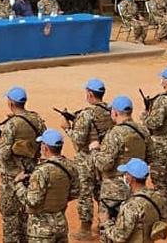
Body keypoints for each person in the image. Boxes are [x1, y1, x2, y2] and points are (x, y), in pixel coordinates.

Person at [90, 96, 153, 243]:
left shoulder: (114, 134)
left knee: (109, 231)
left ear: (115, 112)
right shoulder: (143, 130)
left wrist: (94, 151)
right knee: (133, 232)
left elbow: (104, 164)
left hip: (113, 192)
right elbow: (150, 156)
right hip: (136, 188)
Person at [62, 78, 114, 240]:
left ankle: (85, 229)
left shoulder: (86, 114)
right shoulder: (110, 110)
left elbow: (78, 139)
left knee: (85, 193)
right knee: (101, 191)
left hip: (86, 159)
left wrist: (68, 128)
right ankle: (104, 224)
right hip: (103, 156)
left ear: (90, 94)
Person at [0, 86, 47, 243]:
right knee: (27, 214)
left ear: (11, 103)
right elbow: (43, 144)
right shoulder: (37, 119)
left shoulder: (11, 124)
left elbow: (3, 154)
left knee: (10, 217)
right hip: (30, 173)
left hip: (11, 176)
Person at [13, 129, 80, 243]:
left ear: (45, 147)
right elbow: (75, 192)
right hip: (60, 224)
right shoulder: (71, 166)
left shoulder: (41, 171)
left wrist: (18, 184)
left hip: (41, 229)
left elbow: (32, 201)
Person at [99, 158, 167, 243]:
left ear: (131, 178)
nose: (125, 176)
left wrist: (106, 222)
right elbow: (163, 222)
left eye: (126, 173)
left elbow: (119, 237)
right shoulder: (158, 198)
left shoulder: (131, 206)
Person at [141, 67, 167, 202]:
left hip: (161, 145)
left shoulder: (162, 100)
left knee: (161, 184)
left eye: (163, 78)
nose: (161, 81)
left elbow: (154, 123)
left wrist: (145, 117)